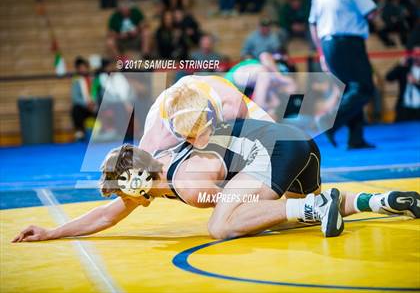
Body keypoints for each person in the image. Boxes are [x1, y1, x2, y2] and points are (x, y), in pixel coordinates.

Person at [13, 122, 420, 242]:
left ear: (136, 179)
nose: (121, 197)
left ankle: (314, 208)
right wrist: (51, 232)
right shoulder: (160, 171)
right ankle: (381, 200)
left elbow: (239, 201)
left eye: (121, 187)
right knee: (288, 204)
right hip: (293, 146)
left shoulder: (189, 180)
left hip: (278, 149)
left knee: (222, 225)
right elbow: (107, 216)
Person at [309, 0, 377, 149]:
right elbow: (371, 13)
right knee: (364, 88)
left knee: (349, 89)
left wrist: (321, 53)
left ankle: (355, 138)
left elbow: (313, 24)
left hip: (327, 43)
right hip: (348, 42)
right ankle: (331, 120)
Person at [139, 75, 273, 153]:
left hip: (218, 95)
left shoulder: (232, 107)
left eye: (201, 134)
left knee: (276, 144)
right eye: (190, 138)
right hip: (173, 109)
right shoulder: (158, 136)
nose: (198, 143)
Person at [225, 52, 296, 120]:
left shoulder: (270, 85)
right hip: (234, 78)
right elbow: (264, 55)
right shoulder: (255, 65)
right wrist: (279, 76)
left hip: (238, 83)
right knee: (265, 74)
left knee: (274, 101)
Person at [385, 46, 420, 121]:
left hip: (418, 110)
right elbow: (389, 78)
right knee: (399, 131)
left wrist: (416, 82)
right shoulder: (405, 69)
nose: (417, 57)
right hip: (404, 109)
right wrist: (399, 65)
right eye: (415, 54)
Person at [71, 57, 96, 141]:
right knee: (75, 109)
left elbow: (100, 94)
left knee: (105, 106)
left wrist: (94, 104)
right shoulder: (76, 81)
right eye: (80, 68)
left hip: (95, 106)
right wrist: (86, 104)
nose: (82, 69)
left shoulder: (95, 79)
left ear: (87, 67)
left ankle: (107, 131)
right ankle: (80, 132)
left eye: (83, 67)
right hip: (84, 108)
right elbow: (75, 98)